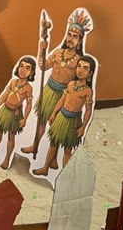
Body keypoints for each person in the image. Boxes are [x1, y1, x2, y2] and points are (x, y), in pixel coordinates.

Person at [21, 9, 92, 157]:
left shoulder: (79, 61)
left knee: (57, 125)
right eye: (69, 35)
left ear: (80, 42)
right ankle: (35, 146)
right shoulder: (58, 53)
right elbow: (43, 66)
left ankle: (53, 158)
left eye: (75, 37)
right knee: (42, 120)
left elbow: (78, 81)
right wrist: (41, 51)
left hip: (64, 95)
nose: (70, 39)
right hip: (50, 89)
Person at [34, 55, 97, 176]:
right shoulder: (71, 84)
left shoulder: (88, 91)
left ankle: (66, 175)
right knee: (53, 144)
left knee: (67, 150)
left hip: (73, 121)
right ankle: (45, 168)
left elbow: (88, 110)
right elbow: (62, 100)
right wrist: (54, 113)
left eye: (85, 68)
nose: (80, 70)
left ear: (90, 73)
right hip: (61, 117)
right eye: (79, 66)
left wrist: (83, 127)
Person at [0, 57, 36, 170]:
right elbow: (5, 94)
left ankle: (7, 159)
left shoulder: (28, 88)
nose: (23, 70)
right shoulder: (13, 82)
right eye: (21, 66)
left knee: (11, 136)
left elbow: (29, 105)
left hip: (15, 114)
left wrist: (24, 119)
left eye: (27, 68)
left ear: (31, 72)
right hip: (5, 110)